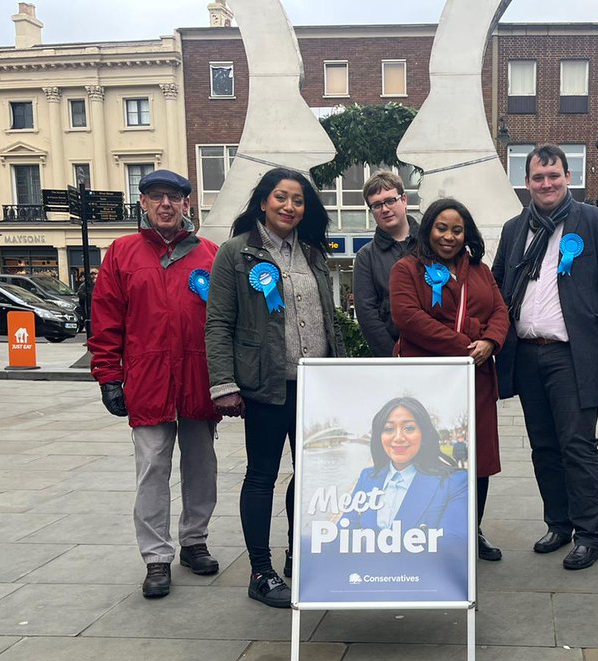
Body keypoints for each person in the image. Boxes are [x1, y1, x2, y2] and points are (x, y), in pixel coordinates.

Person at [206, 167, 346, 608]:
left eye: (298, 200)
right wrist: (224, 384)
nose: (289, 206)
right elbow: (218, 323)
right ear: (263, 201)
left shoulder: (313, 252)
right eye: (281, 197)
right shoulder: (235, 253)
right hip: (266, 386)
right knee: (262, 475)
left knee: (310, 477)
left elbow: (328, 315)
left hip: (317, 385)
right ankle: (260, 570)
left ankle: (298, 554)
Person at [492, 144, 598, 570]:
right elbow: (500, 285)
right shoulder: (515, 229)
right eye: (538, 177)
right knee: (544, 447)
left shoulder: (597, 224)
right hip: (528, 355)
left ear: (568, 177)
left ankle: (590, 534)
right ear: (527, 181)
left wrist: (593, 339)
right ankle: (559, 523)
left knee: (578, 446)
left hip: (571, 356)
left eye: (554, 176)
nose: (546, 184)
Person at [87, 169, 221, 600]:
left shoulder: (210, 254)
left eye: (174, 197)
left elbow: (224, 321)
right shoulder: (122, 253)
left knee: (202, 466)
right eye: (156, 197)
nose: (166, 204)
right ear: (142, 203)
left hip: (198, 379)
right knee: (151, 470)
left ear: (187, 204)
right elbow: (106, 319)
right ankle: (156, 556)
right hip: (148, 380)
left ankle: (194, 540)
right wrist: (108, 375)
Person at [389, 197, 511, 560]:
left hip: (476, 379)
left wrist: (490, 340)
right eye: (442, 228)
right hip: (429, 380)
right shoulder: (407, 269)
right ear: (428, 229)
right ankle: (425, 530)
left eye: (457, 230)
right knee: (430, 456)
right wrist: (468, 342)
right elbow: (409, 318)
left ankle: (471, 530)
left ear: (466, 234)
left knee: (477, 458)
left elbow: (501, 311)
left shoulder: (481, 271)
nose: (449, 237)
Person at [347, 397, 469, 541]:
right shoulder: (367, 477)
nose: (398, 437)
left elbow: (451, 547)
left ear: (423, 434)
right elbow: (343, 535)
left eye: (409, 428)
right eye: (388, 429)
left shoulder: (455, 483)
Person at [354, 170, 418, 357]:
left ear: (404, 200)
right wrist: (393, 355)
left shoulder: (432, 245)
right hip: (393, 357)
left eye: (390, 200)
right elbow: (367, 315)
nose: (384, 209)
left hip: (438, 355)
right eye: (376, 205)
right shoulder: (365, 257)